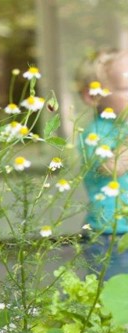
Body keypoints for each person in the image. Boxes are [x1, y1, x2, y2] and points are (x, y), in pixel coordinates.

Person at [77, 49, 128, 279]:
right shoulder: (95, 133)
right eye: (126, 88)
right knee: (112, 301)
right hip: (110, 238)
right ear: (93, 96)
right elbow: (112, 167)